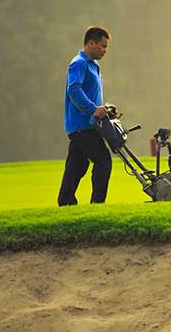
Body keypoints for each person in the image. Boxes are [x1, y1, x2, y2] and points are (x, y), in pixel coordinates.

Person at [58, 26, 112, 206]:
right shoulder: (78, 64)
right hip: (83, 126)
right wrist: (92, 109)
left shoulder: (93, 65)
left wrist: (103, 109)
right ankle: (97, 203)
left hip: (88, 124)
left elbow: (91, 92)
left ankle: (65, 202)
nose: (105, 51)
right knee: (103, 160)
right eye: (102, 46)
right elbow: (73, 89)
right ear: (91, 43)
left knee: (77, 166)